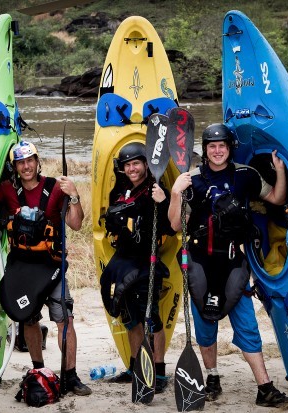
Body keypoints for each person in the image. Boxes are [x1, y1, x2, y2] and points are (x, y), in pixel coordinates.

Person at [167, 123, 288, 408]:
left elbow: (276, 197)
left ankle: (265, 389)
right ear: (204, 149)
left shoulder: (246, 175)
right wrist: (176, 193)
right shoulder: (192, 179)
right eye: (212, 146)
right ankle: (212, 377)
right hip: (200, 263)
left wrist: (281, 170)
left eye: (222, 145)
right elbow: (176, 224)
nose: (217, 151)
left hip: (233, 261)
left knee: (248, 326)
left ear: (230, 147)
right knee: (205, 326)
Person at [0, 140, 91, 396]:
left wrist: (74, 195)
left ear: (37, 162)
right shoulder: (6, 190)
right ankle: (38, 369)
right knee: (28, 319)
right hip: (22, 267)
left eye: (30, 161)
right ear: (14, 167)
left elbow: (76, 224)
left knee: (65, 320)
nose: (26, 167)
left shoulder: (55, 188)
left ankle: (70, 376)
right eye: (20, 162)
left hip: (52, 266)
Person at [99, 142, 175, 393]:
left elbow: (170, 227)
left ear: (145, 164)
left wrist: (163, 202)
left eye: (136, 164)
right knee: (131, 319)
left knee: (152, 320)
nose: (131, 169)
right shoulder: (119, 193)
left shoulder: (155, 190)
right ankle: (136, 368)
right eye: (127, 165)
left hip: (147, 263)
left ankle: (160, 373)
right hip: (123, 262)